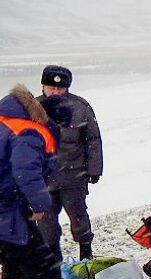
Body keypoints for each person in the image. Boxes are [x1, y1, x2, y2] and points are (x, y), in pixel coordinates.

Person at [0, 84, 91, 279]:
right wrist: (39, 204)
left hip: (7, 205)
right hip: (5, 208)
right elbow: (25, 172)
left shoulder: (9, 120)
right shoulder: (32, 132)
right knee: (41, 264)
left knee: (15, 257)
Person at [37, 65, 103, 261]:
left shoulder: (81, 107)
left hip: (74, 176)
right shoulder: (31, 108)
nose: (55, 92)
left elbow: (93, 139)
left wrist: (94, 169)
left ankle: (85, 251)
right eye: (51, 87)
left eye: (60, 88)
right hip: (43, 180)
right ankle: (52, 259)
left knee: (79, 216)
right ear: (42, 86)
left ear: (67, 88)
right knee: (46, 223)